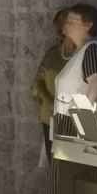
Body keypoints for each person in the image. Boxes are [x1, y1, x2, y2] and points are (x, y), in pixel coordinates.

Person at [53, 3, 97, 138]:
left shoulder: (92, 50)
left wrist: (83, 123)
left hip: (81, 133)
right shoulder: (80, 52)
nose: (66, 25)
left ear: (88, 25)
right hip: (68, 130)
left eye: (72, 22)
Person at [29, 9, 75, 163]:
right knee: (56, 167)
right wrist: (48, 100)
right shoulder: (52, 54)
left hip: (76, 123)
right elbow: (35, 85)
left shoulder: (85, 55)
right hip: (51, 121)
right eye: (61, 30)